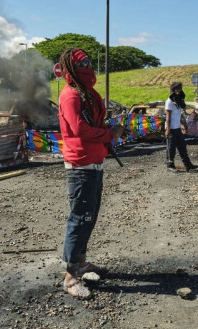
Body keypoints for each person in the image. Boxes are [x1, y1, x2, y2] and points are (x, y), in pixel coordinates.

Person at [58, 48, 124, 299]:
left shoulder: (86, 93)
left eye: (88, 61)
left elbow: (92, 124)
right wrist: (109, 134)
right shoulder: (70, 95)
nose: (88, 65)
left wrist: (110, 129)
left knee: (90, 216)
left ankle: (81, 262)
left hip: (94, 164)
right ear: (71, 68)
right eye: (82, 62)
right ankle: (70, 276)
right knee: (79, 219)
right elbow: (79, 129)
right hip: (81, 167)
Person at [164, 82, 198, 172]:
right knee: (171, 148)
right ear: (173, 90)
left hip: (177, 128)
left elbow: (180, 115)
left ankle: (188, 165)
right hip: (171, 128)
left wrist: (184, 124)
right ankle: (170, 166)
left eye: (180, 88)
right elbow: (168, 117)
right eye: (178, 89)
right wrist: (167, 129)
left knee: (182, 146)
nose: (179, 90)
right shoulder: (169, 102)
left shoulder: (178, 101)